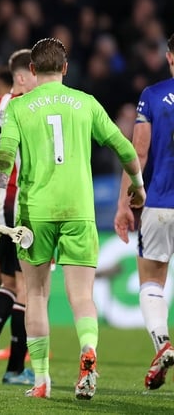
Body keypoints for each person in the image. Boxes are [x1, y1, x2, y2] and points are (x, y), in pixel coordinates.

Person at [0, 37, 145, 400]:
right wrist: (138, 184)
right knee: (82, 296)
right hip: (80, 210)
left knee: (36, 294)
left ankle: (41, 380)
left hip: (35, 213)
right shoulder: (85, 103)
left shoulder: (20, 108)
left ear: (33, 70)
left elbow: (4, 160)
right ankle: (88, 351)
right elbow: (125, 147)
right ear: (65, 69)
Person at [114, 32, 174, 391]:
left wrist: (125, 203)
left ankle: (162, 343)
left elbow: (139, 151)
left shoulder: (152, 96)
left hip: (161, 204)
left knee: (152, 280)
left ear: (170, 57)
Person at [0, 49, 38, 386]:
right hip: (23, 201)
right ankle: (15, 368)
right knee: (27, 286)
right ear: (23, 76)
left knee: (7, 283)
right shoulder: (26, 107)